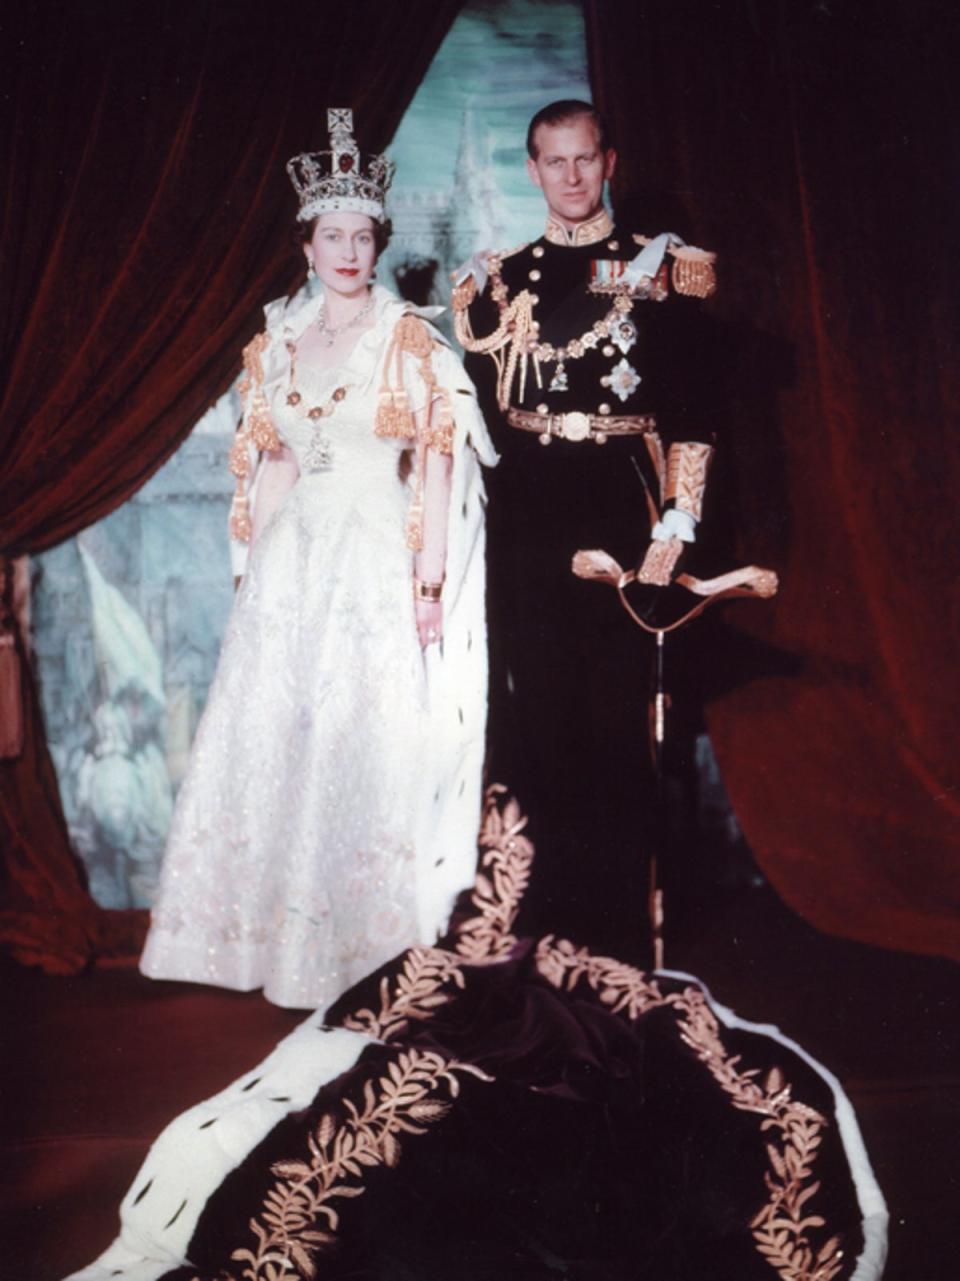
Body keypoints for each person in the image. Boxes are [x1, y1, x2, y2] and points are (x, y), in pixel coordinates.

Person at [140, 109, 495, 1010]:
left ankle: (359, 945)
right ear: (307, 246)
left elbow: (439, 460)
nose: (348, 249)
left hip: (374, 555)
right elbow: (278, 461)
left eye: (362, 235)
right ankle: (261, 941)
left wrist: (427, 585)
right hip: (296, 562)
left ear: (378, 244)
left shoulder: (407, 339)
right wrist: (252, 572)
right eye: (331, 234)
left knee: (357, 739)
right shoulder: (279, 342)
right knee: (278, 741)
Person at [453, 100, 721, 966]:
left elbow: (693, 410)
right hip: (527, 517)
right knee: (540, 721)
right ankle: (547, 937)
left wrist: (678, 519)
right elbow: (479, 421)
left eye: (584, 159)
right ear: (531, 171)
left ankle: (613, 944)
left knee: (615, 725)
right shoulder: (497, 282)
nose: (570, 177)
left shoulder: (666, 271)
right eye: (552, 162)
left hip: (618, 505)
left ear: (608, 160)